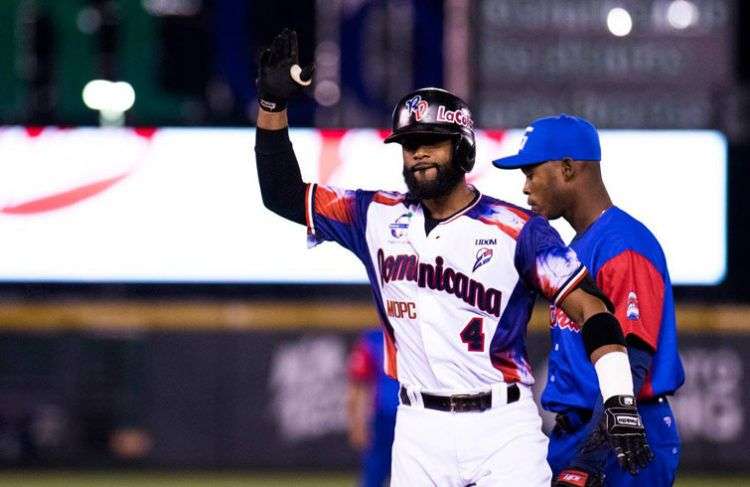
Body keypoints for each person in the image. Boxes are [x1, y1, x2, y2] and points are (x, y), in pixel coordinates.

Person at [254, 29, 650, 486]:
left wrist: (619, 399)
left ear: (461, 148)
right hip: (418, 429)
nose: (418, 152)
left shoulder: (517, 230)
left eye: (431, 140)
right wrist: (271, 108)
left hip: (502, 428)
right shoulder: (373, 215)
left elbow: (591, 308)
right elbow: (282, 194)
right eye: (408, 143)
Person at [493, 114, 685, 486]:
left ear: (566, 168)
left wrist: (591, 456)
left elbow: (632, 359)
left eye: (531, 172)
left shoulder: (622, 244)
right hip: (581, 432)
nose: (525, 187)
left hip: (625, 434)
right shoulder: (577, 246)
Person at [347, 328, 400, 487]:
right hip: (385, 417)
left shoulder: (418, 332)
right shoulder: (373, 340)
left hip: (416, 415)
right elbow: (358, 384)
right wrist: (357, 423)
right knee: (374, 476)